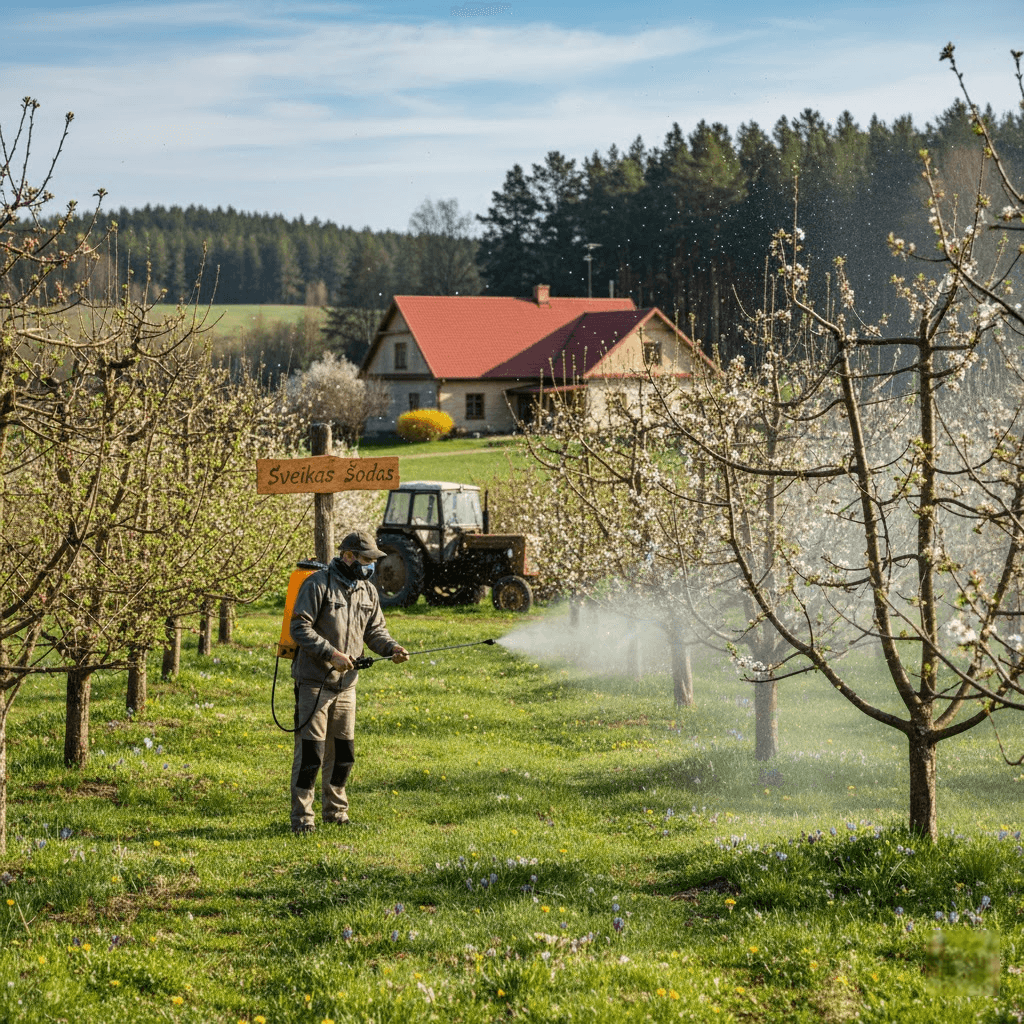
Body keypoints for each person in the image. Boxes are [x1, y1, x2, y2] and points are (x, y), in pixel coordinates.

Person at [288, 529, 409, 833]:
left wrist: (391, 648)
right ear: (349, 556)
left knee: (344, 754)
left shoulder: (367, 591)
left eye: (374, 560)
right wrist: (331, 654)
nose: (372, 565)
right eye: (367, 559)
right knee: (311, 755)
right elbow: (299, 628)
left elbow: (375, 631)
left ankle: (336, 812)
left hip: (347, 686)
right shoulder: (318, 584)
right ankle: (303, 819)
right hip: (314, 682)